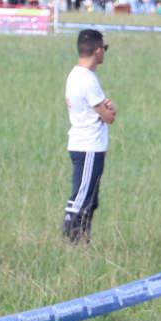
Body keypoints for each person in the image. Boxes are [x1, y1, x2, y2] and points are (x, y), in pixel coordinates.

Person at [62, 29, 116, 243]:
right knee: (83, 196)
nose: (105, 52)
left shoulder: (75, 75)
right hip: (89, 145)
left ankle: (82, 239)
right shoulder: (88, 80)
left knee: (90, 199)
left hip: (84, 144)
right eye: (105, 48)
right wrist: (111, 110)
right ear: (97, 51)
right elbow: (108, 116)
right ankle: (71, 232)